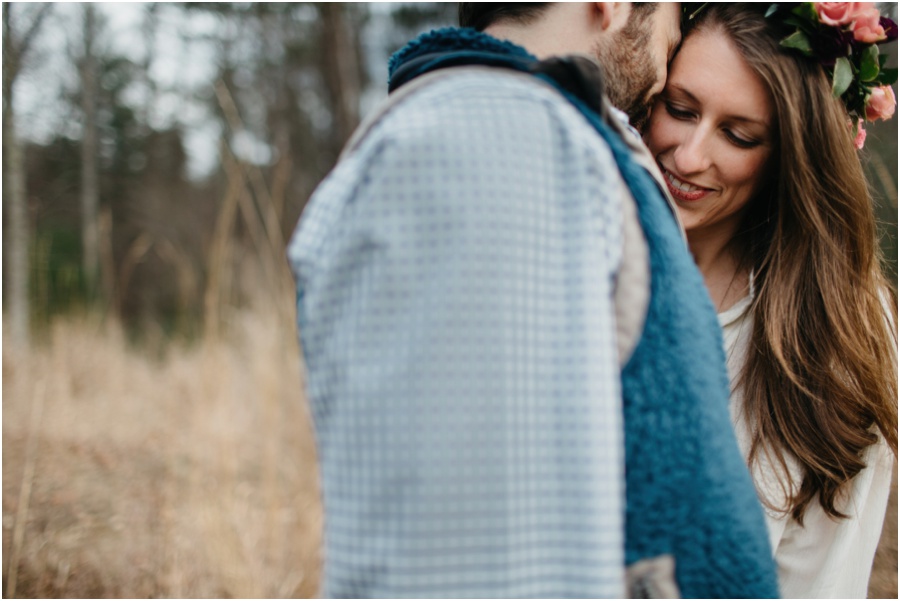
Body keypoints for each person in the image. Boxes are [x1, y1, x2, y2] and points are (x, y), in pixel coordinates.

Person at [288, 3, 778, 597]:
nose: (672, 38)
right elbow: (484, 558)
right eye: (675, 9)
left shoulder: (534, 129)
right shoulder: (502, 139)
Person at [644, 3, 898, 597]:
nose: (687, 156)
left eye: (739, 135)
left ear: (791, 152)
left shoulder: (845, 330)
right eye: (679, 109)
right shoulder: (579, 262)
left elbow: (823, 578)